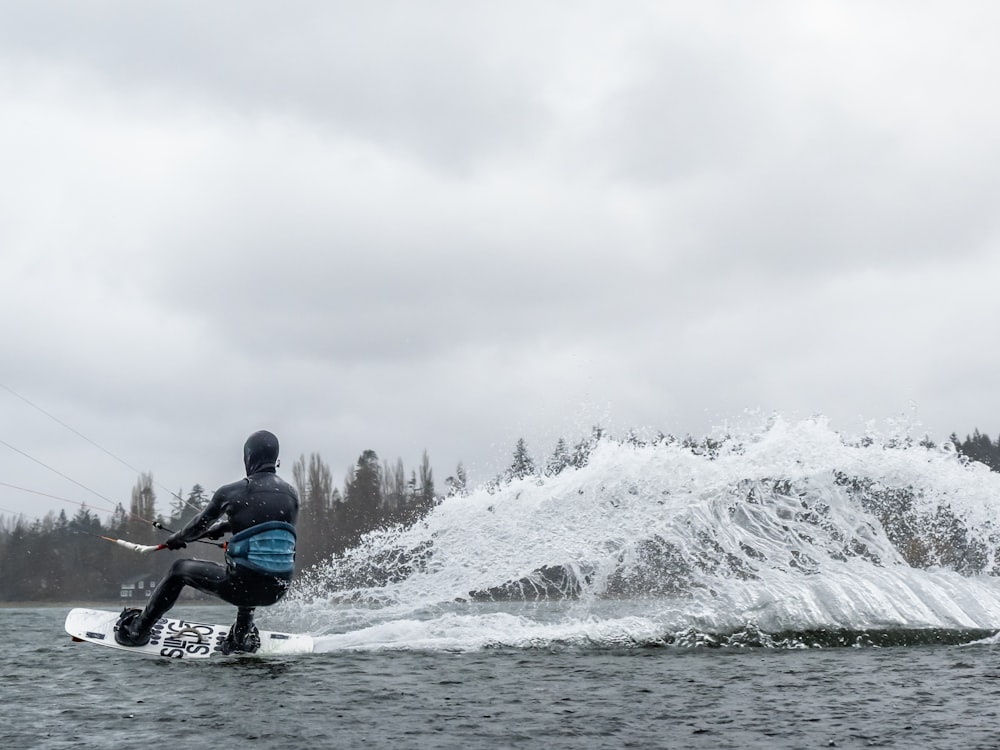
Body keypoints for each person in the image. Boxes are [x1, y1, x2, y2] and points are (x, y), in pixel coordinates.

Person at [115, 429, 299, 654]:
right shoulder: (291, 495)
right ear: (275, 459)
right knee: (255, 563)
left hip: (245, 586)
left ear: (248, 458)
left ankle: (137, 630)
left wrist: (178, 538)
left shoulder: (232, 492)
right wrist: (222, 528)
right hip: (278, 588)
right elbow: (266, 527)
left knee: (179, 570)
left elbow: (196, 527)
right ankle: (241, 635)